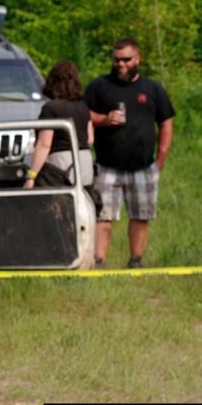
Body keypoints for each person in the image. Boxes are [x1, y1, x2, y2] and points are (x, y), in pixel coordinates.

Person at [84, 37, 175, 269]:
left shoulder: (152, 89)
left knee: (140, 216)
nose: (120, 64)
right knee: (103, 216)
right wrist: (103, 119)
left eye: (126, 59)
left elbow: (166, 122)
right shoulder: (99, 86)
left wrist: (160, 160)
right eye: (116, 60)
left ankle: (135, 261)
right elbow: (84, 115)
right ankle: (99, 261)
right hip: (107, 166)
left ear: (137, 59)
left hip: (143, 167)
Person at [24, 60, 94, 189]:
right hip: (85, 164)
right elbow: (90, 139)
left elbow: (44, 144)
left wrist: (31, 176)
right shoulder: (83, 107)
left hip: (61, 166)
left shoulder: (50, 108)